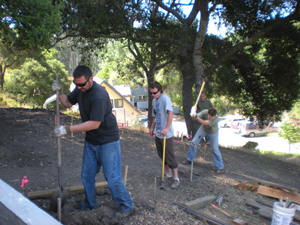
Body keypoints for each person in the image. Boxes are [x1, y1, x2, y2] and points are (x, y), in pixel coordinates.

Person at [52, 65, 134, 218]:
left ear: (90, 79)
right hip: (91, 141)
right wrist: (59, 92)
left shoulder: (99, 95)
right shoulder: (80, 89)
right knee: (87, 175)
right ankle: (90, 205)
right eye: (77, 85)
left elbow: (94, 123)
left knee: (112, 178)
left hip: (108, 141)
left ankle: (127, 206)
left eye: (82, 84)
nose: (79, 87)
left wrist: (67, 129)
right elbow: (68, 102)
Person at [149, 81, 180, 189]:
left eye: (155, 93)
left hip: (167, 134)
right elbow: (155, 115)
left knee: (170, 156)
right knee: (162, 156)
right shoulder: (154, 101)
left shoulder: (165, 98)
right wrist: (152, 128)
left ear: (160, 90)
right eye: (151, 93)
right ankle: (168, 175)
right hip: (158, 133)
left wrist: (166, 128)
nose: (153, 95)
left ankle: (176, 178)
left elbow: (170, 113)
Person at [182, 108, 224, 173]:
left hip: (213, 133)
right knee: (193, 142)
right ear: (208, 114)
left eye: (212, 117)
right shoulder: (204, 112)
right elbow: (194, 118)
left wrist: (196, 116)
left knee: (215, 149)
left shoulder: (216, 119)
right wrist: (193, 115)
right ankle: (189, 159)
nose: (210, 119)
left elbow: (204, 123)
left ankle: (219, 167)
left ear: (215, 116)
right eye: (209, 117)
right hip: (203, 129)